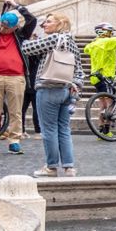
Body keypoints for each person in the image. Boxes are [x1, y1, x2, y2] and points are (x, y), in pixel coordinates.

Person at [23, 14, 82, 176]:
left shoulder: (53, 39)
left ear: (60, 23)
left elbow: (26, 49)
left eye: (48, 21)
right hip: (65, 90)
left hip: (48, 88)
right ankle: (69, 167)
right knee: (64, 129)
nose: (44, 24)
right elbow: (79, 70)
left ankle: (51, 167)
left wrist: (29, 40)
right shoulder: (71, 42)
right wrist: (76, 87)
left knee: (48, 129)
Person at [0, 5, 37, 156]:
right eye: (2, 25)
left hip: (16, 77)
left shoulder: (21, 34)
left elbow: (32, 20)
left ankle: (14, 141)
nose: (4, 29)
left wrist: (17, 6)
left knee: (16, 111)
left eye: (7, 27)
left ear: (15, 27)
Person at [83, 24, 116, 138]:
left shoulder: (93, 44)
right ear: (104, 32)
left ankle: (101, 130)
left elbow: (86, 49)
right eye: (110, 32)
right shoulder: (108, 42)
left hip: (95, 77)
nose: (112, 34)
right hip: (105, 76)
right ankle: (106, 130)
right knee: (109, 103)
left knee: (102, 103)